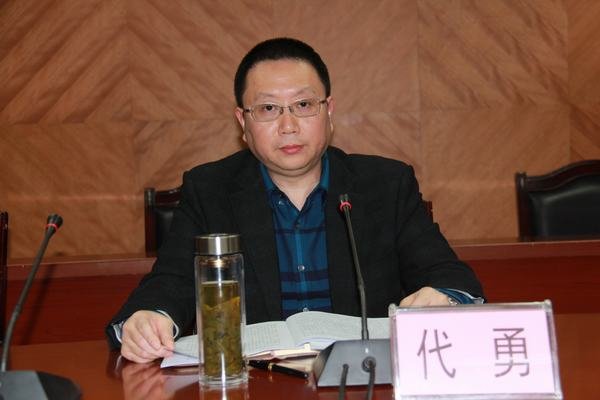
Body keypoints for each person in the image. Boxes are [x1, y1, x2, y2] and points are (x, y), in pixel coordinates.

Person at [107, 37, 484, 363]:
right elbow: (170, 281)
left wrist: (445, 297)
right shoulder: (210, 189)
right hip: (257, 384)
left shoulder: (385, 185)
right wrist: (149, 318)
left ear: (329, 112)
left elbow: (450, 276)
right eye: (268, 109)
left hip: (361, 380)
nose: (288, 126)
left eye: (303, 105)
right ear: (243, 122)